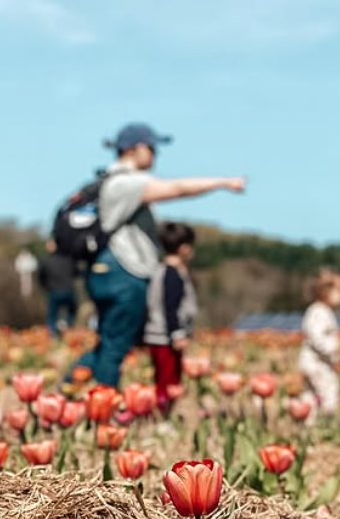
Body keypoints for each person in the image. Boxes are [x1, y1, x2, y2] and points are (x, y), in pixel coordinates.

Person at [72, 123, 246, 387]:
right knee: (115, 345)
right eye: (151, 147)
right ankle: (102, 406)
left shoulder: (112, 182)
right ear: (132, 149)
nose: (155, 154)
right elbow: (177, 188)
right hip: (123, 271)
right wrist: (221, 183)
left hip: (111, 271)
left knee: (113, 340)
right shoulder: (125, 183)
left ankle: (68, 390)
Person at [143, 222, 197, 414]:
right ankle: (163, 414)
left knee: (162, 378)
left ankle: (162, 412)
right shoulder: (172, 275)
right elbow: (170, 307)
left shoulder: (159, 271)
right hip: (166, 336)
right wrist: (177, 333)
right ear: (184, 248)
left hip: (156, 334)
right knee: (169, 380)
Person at [299, 267, 340, 416]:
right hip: (317, 363)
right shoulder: (319, 311)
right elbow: (316, 336)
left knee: (310, 394)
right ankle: (328, 418)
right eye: (339, 291)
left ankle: (306, 419)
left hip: (312, 362)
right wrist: (333, 349)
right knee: (329, 389)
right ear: (325, 292)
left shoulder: (318, 311)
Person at [37, 239, 78, 337]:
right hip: (68, 289)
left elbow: (40, 276)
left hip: (54, 290)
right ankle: (67, 328)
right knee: (70, 312)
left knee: (53, 315)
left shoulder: (45, 260)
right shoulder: (69, 258)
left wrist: (45, 286)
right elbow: (76, 272)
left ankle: (54, 333)